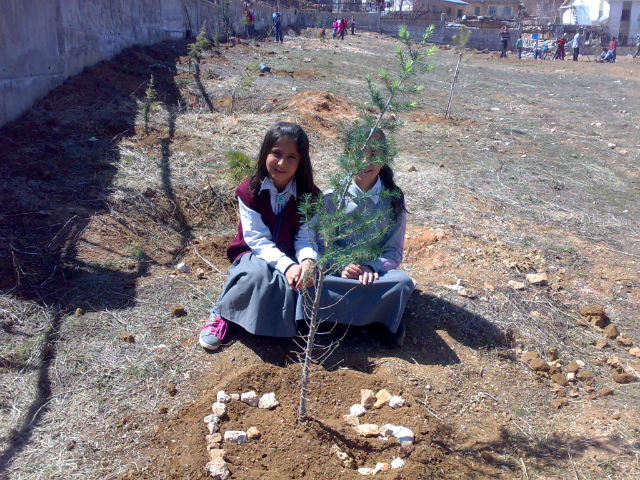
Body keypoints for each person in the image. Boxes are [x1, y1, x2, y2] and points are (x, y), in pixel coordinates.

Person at [199, 122, 320, 350]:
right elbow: (256, 239)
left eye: (292, 157)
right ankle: (222, 314)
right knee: (256, 276)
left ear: (302, 161)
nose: (282, 163)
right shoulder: (250, 191)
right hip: (252, 253)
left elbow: (306, 237)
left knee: (301, 282)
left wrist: (306, 262)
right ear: (265, 152)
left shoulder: (310, 196)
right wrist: (286, 265)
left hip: (290, 255)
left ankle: (280, 329)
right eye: (276, 153)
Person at [311, 127, 415, 348]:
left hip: (372, 279)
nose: (365, 162)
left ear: (384, 158)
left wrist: (371, 267)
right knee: (310, 281)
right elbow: (320, 245)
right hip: (337, 276)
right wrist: (341, 265)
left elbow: (394, 252)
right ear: (347, 156)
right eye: (358, 153)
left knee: (403, 283)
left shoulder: (393, 200)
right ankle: (372, 320)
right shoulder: (331, 198)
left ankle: (339, 321)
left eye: (374, 155)